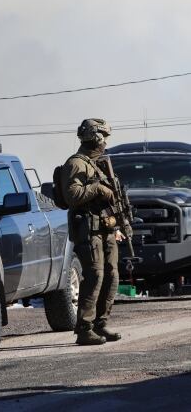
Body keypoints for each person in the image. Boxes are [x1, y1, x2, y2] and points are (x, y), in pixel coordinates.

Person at [61, 118, 124, 346]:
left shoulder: (98, 163)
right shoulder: (77, 164)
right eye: (103, 137)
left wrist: (118, 225)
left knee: (111, 274)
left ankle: (100, 323)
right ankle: (85, 328)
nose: (105, 142)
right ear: (95, 137)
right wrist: (97, 188)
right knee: (95, 275)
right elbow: (72, 196)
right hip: (88, 230)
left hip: (106, 229)